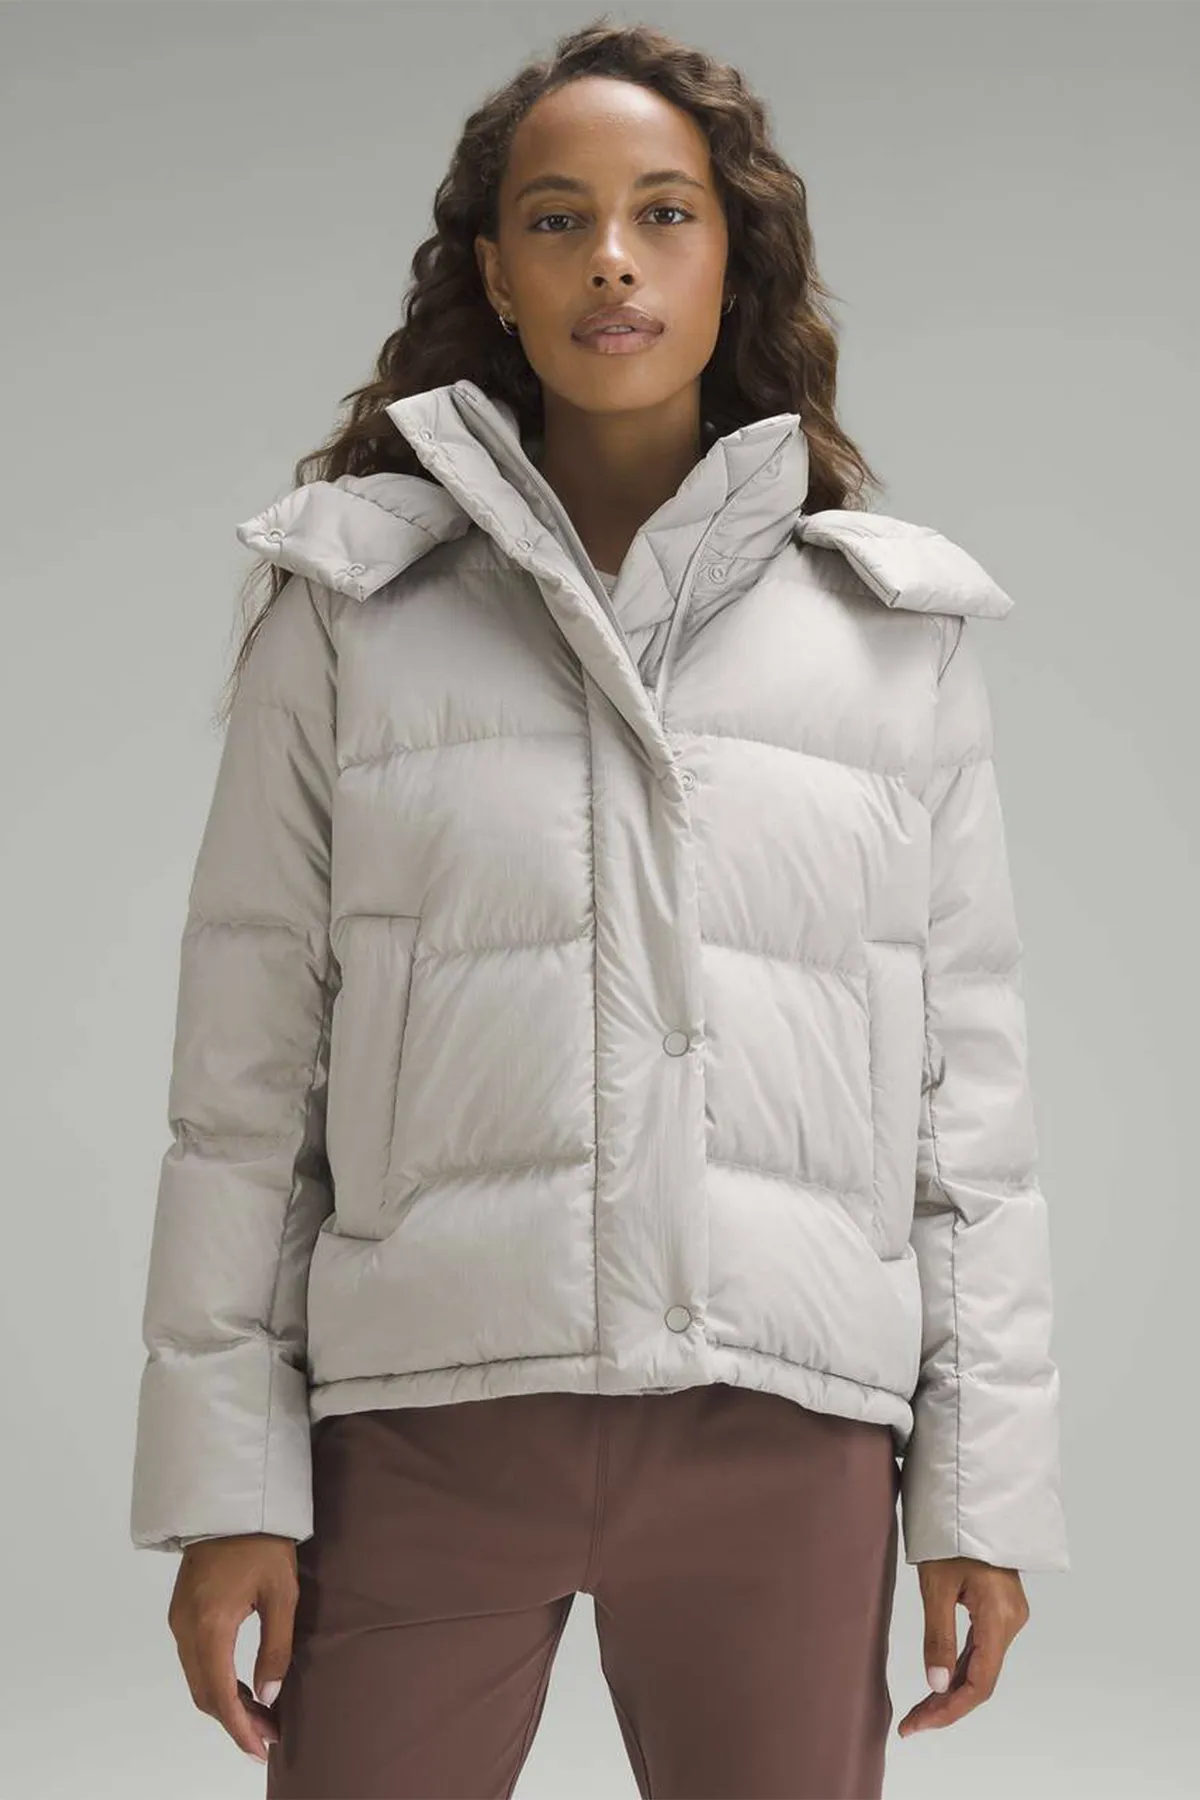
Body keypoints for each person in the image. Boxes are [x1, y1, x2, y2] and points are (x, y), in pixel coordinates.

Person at [129, 17, 1069, 1798]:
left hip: (783, 1433)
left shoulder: (893, 642)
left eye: (664, 214)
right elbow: (243, 1091)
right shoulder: (351, 616)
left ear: (735, 259)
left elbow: (968, 1120)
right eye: (557, 220)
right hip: (420, 1428)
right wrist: (226, 1486)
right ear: (496, 272)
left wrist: (979, 1492)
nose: (612, 260)